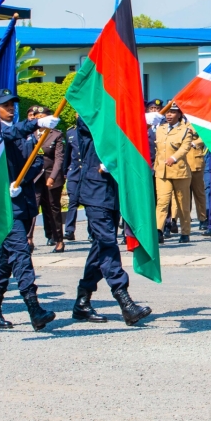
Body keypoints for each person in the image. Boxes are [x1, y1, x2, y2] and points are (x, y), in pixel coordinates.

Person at [67, 116, 152, 326]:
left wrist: (139, 122)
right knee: (107, 244)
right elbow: (100, 125)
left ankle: (82, 302)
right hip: (94, 192)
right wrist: (137, 120)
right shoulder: (89, 117)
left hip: (112, 193)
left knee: (99, 247)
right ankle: (124, 301)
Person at [0, 89, 57, 331]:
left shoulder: (22, 133)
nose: (11, 108)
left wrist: (20, 181)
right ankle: (34, 308)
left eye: (13, 104)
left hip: (22, 201)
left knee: (5, 261)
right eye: (5, 105)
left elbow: (36, 160)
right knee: (21, 255)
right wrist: (36, 122)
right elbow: (9, 135)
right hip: (3, 207)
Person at [27, 106, 68, 251]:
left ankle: (59, 239)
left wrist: (52, 176)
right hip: (34, 177)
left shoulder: (56, 135)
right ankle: (29, 238)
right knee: (32, 206)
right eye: (37, 116)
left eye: (42, 116)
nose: (39, 119)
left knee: (53, 208)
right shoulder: (31, 134)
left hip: (51, 176)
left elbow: (59, 159)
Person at [154, 103, 194, 243]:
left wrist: (174, 158)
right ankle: (158, 230)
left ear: (179, 114)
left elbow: (185, 148)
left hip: (179, 172)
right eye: (168, 112)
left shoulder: (185, 130)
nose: (169, 115)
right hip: (162, 172)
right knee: (162, 202)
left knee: (182, 203)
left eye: (172, 112)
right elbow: (158, 149)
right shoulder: (160, 129)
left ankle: (185, 232)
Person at [187, 129, 210, 232]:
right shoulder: (178, 123)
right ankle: (183, 220)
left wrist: (194, 142)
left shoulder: (195, 119)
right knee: (182, 195)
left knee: (199, 193)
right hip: (181, 163)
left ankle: (202, 218)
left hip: (196, 162)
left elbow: (206, 135)